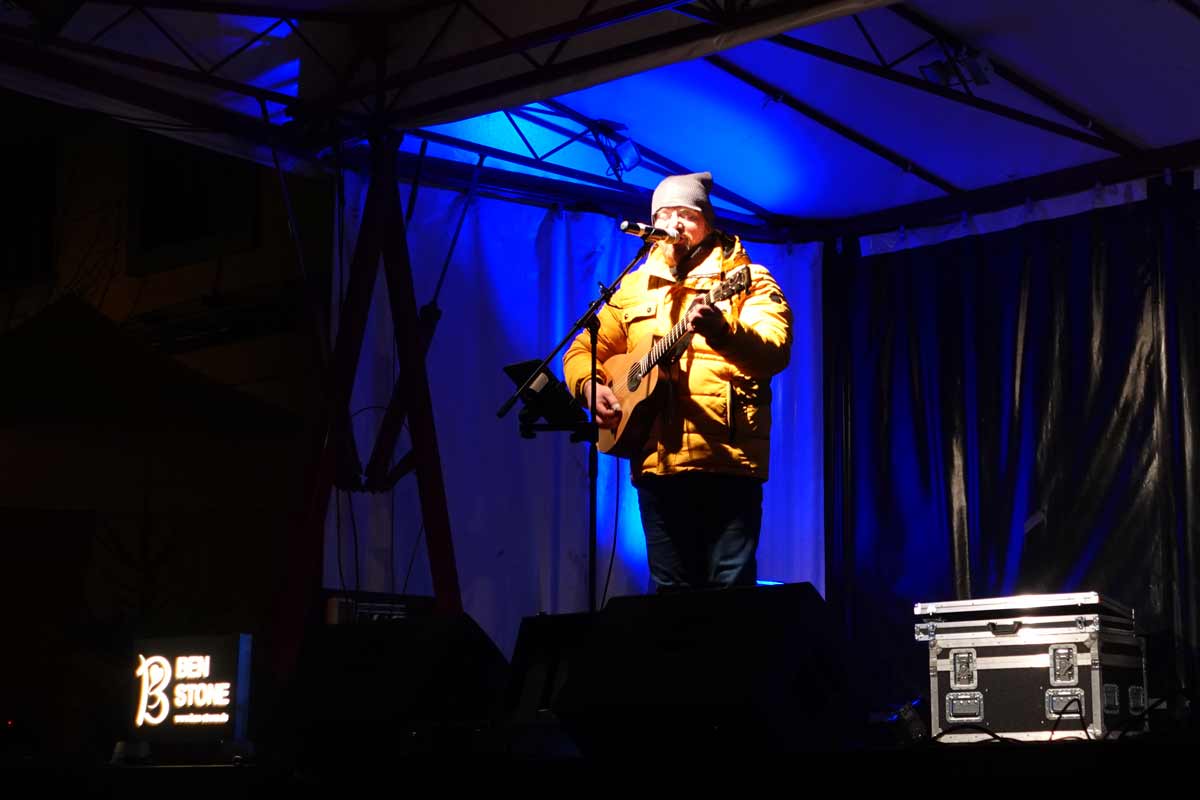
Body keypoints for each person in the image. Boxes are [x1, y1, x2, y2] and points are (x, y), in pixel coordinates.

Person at [563, 171, 793, 591]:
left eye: (686, 214)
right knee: (670, 596)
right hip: (657, 464)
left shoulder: (748, 279)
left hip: (727, 461)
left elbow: (773, 351)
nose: (674, 223)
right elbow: (581, 351)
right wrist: (588, 387)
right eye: (664, 214)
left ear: (707, 221)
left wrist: (723, 331)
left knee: (730, 594)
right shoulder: (631, 287)